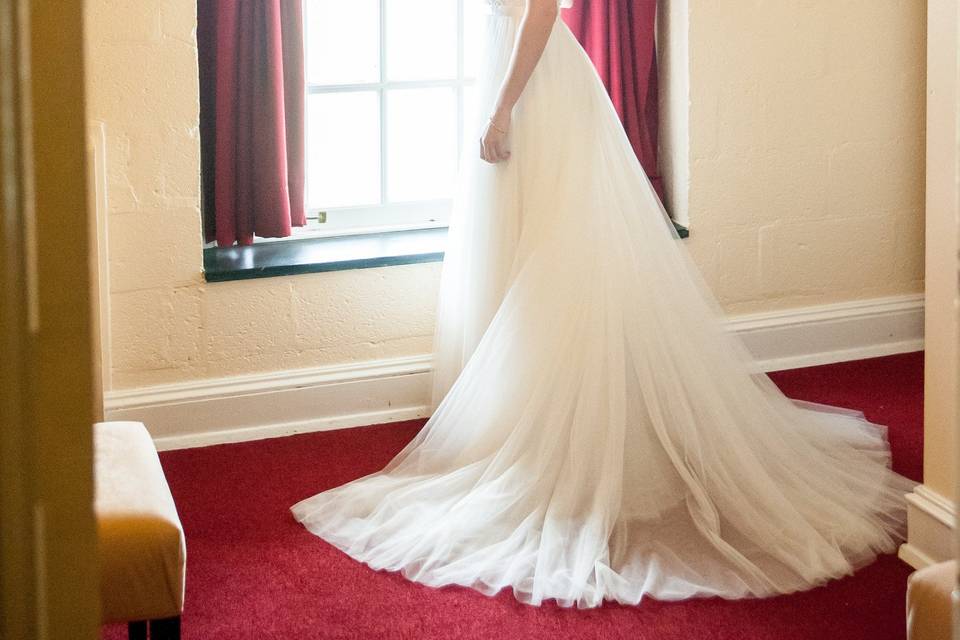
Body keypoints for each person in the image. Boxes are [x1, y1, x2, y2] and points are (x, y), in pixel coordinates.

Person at [292, 0, 915, 608]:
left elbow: (540, 10)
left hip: (536, 86)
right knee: (519, 256)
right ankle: (507, 412)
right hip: (512, 68)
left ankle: (568, 429)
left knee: (557, 260)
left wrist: (503, 108)